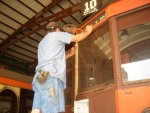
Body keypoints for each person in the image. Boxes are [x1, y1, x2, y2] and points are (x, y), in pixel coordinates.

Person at [31, 21, 93, 113]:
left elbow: (53, 57)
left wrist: (69, 54)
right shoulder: (57, 35)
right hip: (50, 76)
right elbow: (77, 38)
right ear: (57, 29)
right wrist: (88, 31)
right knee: (50, 108)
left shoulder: (42, 42)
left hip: (41, 76)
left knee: (36, 108)